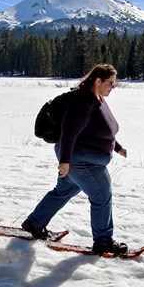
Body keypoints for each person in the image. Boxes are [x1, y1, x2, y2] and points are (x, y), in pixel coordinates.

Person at [22, 64, 129, 255]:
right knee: (102, 196)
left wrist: (117, 147)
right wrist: (65, 161)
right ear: (98, 81)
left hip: (81, 157)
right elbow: (69, 131)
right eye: (110, 83)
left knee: (64, 190)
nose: (113, 87)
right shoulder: (83, 100)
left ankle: (35, 223)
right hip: (81, 160)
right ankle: (103, 241)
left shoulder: (98, 99)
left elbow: (100, 130)